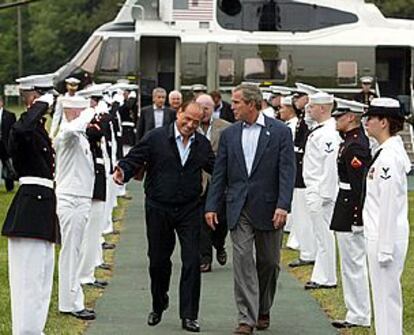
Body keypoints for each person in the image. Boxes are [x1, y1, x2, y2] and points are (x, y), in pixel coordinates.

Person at [113, 101, 215, 333]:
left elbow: (216, 169)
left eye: (196, 123)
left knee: (192, 261)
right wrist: (123, 171)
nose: (190, 125)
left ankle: (189, 315)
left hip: (190, 208)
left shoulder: (202, 145)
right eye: (186, 119)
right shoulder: (156, 137)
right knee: (158, 261)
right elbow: (134, 158)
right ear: (178, 113)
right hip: (158, 207)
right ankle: (159, 303)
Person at [205, 84, 295, 334]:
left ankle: (263, 307)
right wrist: (212, 205)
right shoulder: (230, 134)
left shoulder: (280, 132)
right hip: (238, 206)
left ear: (252, 104)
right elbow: (219, 173)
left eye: (236, 102)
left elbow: (287, 172)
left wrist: (283, 205)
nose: (231, 107)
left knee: (269, 262)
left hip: (269, 207)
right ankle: (246, 317)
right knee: (243, 260)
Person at [1, 73, 59, 335]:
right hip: (29, 209)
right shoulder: (24, 128)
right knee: (28, 280)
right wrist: (41, 103)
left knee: (41, 279)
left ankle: (35, 330)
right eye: (48, 99)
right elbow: (21, 129)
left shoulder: (39, 129)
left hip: (43, 207)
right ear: (35, 98)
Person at [362, 98, 410, 335]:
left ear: (384, 122)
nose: (366, 122)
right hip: (379, 236)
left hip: (385, 238)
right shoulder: (384, 152)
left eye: (370, 117)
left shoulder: (389, 157)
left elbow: (389, 204)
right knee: (381, 298)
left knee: (386, 298)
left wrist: (385, 248)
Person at [330, 99, 371, 329]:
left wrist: (357, 217)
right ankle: (355, 312)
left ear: (351, 118)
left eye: (340, 117)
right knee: (349, 264)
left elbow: (359, 186)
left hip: (350, 208)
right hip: (345, 204)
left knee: (353, 264)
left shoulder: (355, 145)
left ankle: (358, 314)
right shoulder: (349, 142)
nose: (336, 121)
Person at [54, 96, 96, 320]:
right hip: (70, 198)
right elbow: (72, 129)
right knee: (71, 251)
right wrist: (89, 112)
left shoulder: (80, 137)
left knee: (75, 250)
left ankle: (70, 299)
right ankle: (71, 302)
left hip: (80, 198)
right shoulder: (66, 134)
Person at [303, 92, 341, 290]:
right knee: (320, 235)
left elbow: (329, 165)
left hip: (321, 190)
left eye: (312, 107)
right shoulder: (320, 130)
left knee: (324, 234)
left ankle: (326, 277)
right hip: (315, 187)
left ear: (323, 108)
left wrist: (325, 194)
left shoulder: (328, 133)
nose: (309, 110)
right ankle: (322, 274)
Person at [196, 94, 230, 273]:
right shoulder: (190, 126)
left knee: (221, 220)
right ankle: (205, 259)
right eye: (200, 108)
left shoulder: (225, 128)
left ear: (213, 109)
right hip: (199, 181)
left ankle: (220, 244)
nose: (203, 112)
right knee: (202, 221)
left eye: (206, 108)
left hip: (219, 180)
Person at [0, 96, 17, 191]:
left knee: (8, 165)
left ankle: (9, 187)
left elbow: (13, 131)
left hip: (5, 145)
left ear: (2, 103)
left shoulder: (10, 115)